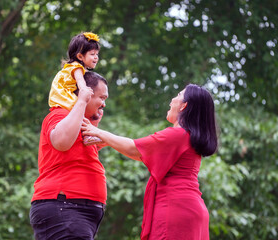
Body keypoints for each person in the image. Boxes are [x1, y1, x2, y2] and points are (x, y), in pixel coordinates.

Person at [82, 84, 218, 240]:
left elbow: (135, 149)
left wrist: (98, 132)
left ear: (184, 106)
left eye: (178, 95)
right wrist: (108, 141)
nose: (171, 100)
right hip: (190, 209)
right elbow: (141, 153)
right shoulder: (187, 137)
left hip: (176, 209)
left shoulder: (178, 135)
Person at [30, 71, 109, 240]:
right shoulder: (60, 115)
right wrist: (81, 102)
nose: (103, 104)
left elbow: (95, 143)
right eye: (101, 98)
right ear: (85, 93)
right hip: (65, 206)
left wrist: (94, 121)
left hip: (76, 211)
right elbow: (62, 141)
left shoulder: (81, 122)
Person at [48, 31, 103, 145]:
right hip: (64, 96)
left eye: (97, 54)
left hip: (61, 95)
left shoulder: (73, 67)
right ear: (80, 56)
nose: (96, 57)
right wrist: (85, 93)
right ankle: (88, 135)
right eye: (92, 54)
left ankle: (87, 134)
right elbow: (80, 82)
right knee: (79, 109)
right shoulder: (77, 67)